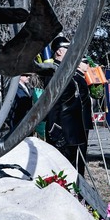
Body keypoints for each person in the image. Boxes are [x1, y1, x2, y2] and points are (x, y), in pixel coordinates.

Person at [44, 35, 93, 175]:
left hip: (73, 129)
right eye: (68, 49)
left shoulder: (67, 71)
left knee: (75, 169)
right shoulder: (54, 71)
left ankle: (77, 194)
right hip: (63, 128)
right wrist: (55, 129)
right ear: (59, 52)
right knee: (64, 171)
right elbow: (52, 102)